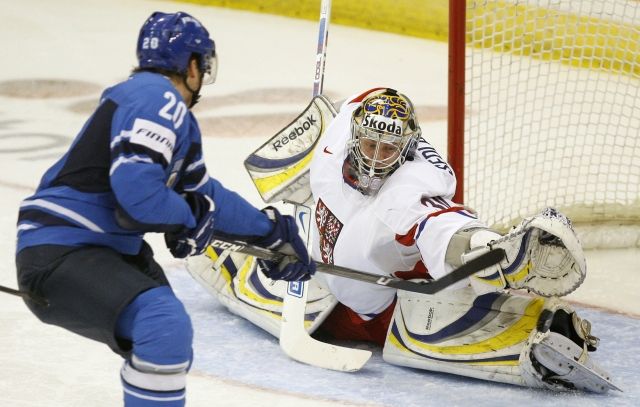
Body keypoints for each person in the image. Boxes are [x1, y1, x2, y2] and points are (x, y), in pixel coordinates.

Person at [190, 87, 616, 393]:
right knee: (249, 239)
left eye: (390, 149)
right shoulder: (338, 136)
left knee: (442, 287)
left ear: (407, 149)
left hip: (388, 308)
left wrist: (485, 246)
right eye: (371, 144)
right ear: (354, 137)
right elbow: (365, 98)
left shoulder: (409, 190)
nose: (377, 157)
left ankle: (514, 285)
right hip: (323, 281)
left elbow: (442, 222)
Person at [15, 11, 315, 407]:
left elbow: (205, 196)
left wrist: (270, 233)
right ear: (192, 65)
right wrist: (189, 216)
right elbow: (138, 198)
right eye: (203, 66)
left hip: (99, 249)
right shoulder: (157, 97)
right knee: (162, 323)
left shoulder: (162, 110)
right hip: (66, 248)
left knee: (169, 343)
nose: (203, 77)